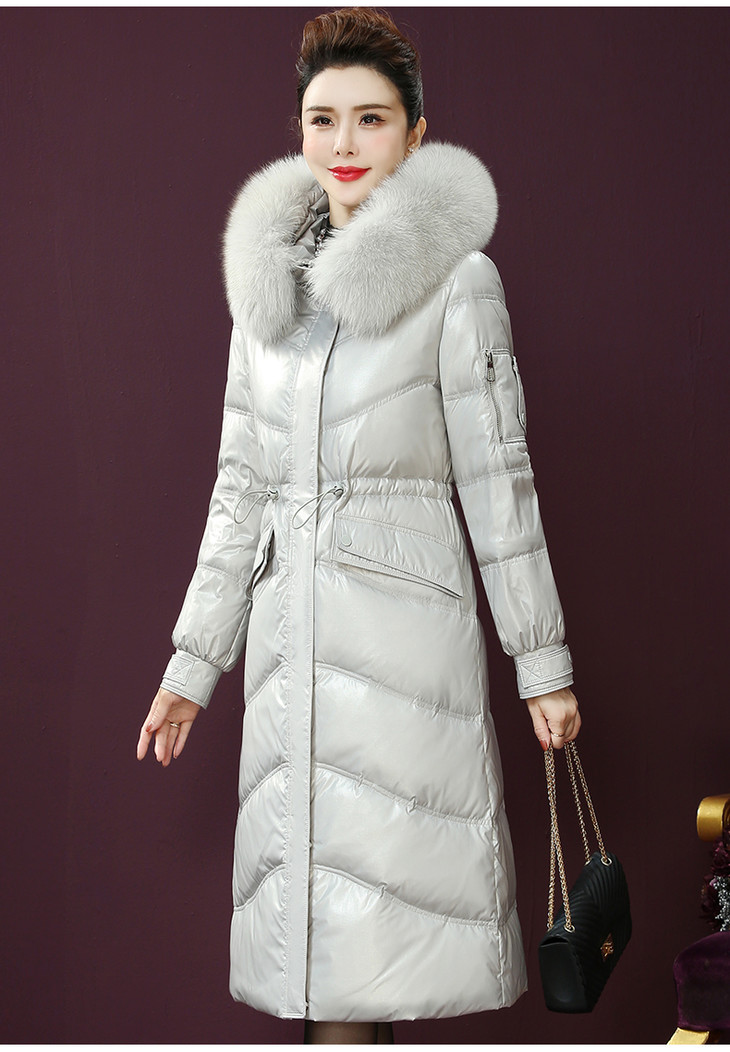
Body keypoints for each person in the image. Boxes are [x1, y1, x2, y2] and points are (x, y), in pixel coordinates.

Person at [137, 7, 581, 1045]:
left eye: (371, 119)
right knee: (315, 970)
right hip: (289, 653)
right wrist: (193, 663)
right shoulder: (266, 298)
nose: (343, 143)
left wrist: (542, 662)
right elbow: (240, 490)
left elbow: (499, 481)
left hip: (402, 654)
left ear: (415, 133)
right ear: (298, 131)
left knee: (375, 963)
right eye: (322, 119)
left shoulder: (458, 282)